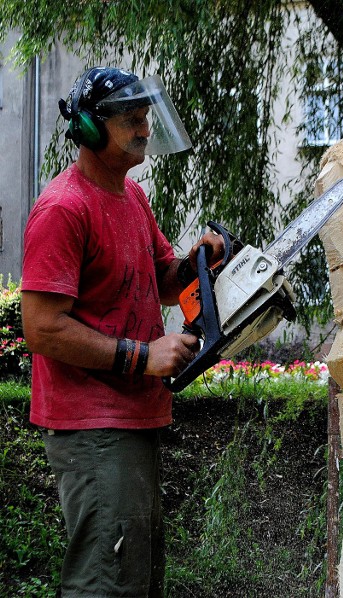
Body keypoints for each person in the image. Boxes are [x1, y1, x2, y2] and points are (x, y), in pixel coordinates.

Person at [21, 66, 224, 597]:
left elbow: (160, 280)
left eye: (145, 118)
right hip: (92, 425)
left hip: (131, 418)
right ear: (90, 129)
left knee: (135, 580)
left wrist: (198, 265)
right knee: (103, 583)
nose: (143, 130)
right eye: (131, 120)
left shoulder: (130, 198)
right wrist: (142, 356)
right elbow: (41, 329)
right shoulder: (64, 208)